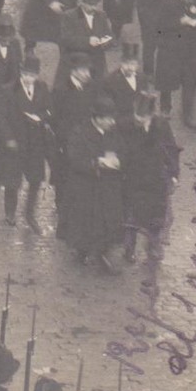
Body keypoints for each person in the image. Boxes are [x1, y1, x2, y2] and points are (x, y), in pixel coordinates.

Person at [63, 97, 124, 273]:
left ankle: (101, 253)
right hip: (86, 186)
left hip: (108, 186)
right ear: (97, 118)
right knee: (85, 221)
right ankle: (83, 251)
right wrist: (96, 163)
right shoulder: (80, 132)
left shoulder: (113, 132)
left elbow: (123, 150)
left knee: (106, 221)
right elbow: (74, 158)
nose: (112, 122)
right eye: (108, 118)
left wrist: (119, 161)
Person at [0, 52, 52, 233]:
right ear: (21, 73)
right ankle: (10, 212)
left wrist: (40, 118)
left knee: (35, 179)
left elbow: (49, 110)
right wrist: (9, 138)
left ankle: (29, 213)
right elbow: (1, 117)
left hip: (35, 142)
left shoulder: (42, 88)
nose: (28, 79)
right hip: (16, 143)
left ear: (37, 75)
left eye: (32, 75)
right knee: (12, 181)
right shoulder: (8, 90)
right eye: (26, 75)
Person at [118, 91, 179, 263]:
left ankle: (153, 246)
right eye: (136, 116)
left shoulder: (162, 126)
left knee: (156, 215)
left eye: (142, 117)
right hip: (133, 177)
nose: (138, 120)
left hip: (156, 179)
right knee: (131, 216)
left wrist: (174, 173)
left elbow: (171, 150)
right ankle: (129, 248)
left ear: (151, 115)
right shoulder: (126, 126)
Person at [57, 0, 116, 88]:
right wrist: (87, 41)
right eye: (90, 4)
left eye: (95, 4)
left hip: (97, 64)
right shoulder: (69, 16)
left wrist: (105, 42)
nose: (93, 8)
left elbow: (111, 37)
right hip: (76, 64)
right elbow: (65, 40)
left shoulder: (101, 16)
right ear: (81, 2)